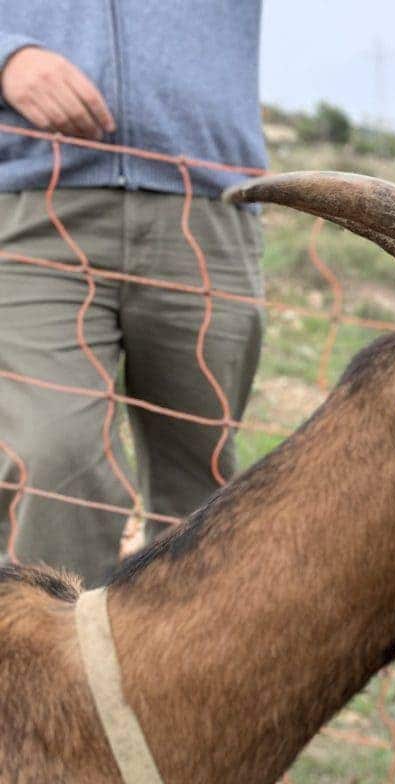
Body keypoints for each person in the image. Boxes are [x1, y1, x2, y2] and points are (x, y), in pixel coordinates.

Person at [0, 3, 268, 586]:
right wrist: (7, 54)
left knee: (201, 495)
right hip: (32, 203)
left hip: (208, 211)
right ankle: (49, 671)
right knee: (52, 460)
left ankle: (182, 674)